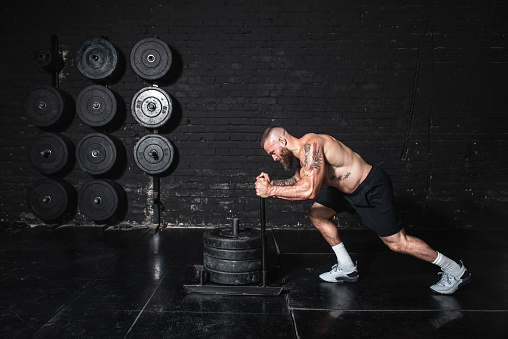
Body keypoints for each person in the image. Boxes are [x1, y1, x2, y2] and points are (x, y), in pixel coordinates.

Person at [255, 127, 471, 294]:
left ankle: (455, 270)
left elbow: (310, 189)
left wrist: (271, 190)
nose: (274, 158)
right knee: (317, 214)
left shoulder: (312, 144)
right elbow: (296, 182)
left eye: (273, 152)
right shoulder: (302, 163)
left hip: (371, 187)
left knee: (397, 243)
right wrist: (271, 185)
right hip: (346, 192)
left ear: (282, 141)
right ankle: (347, 268)